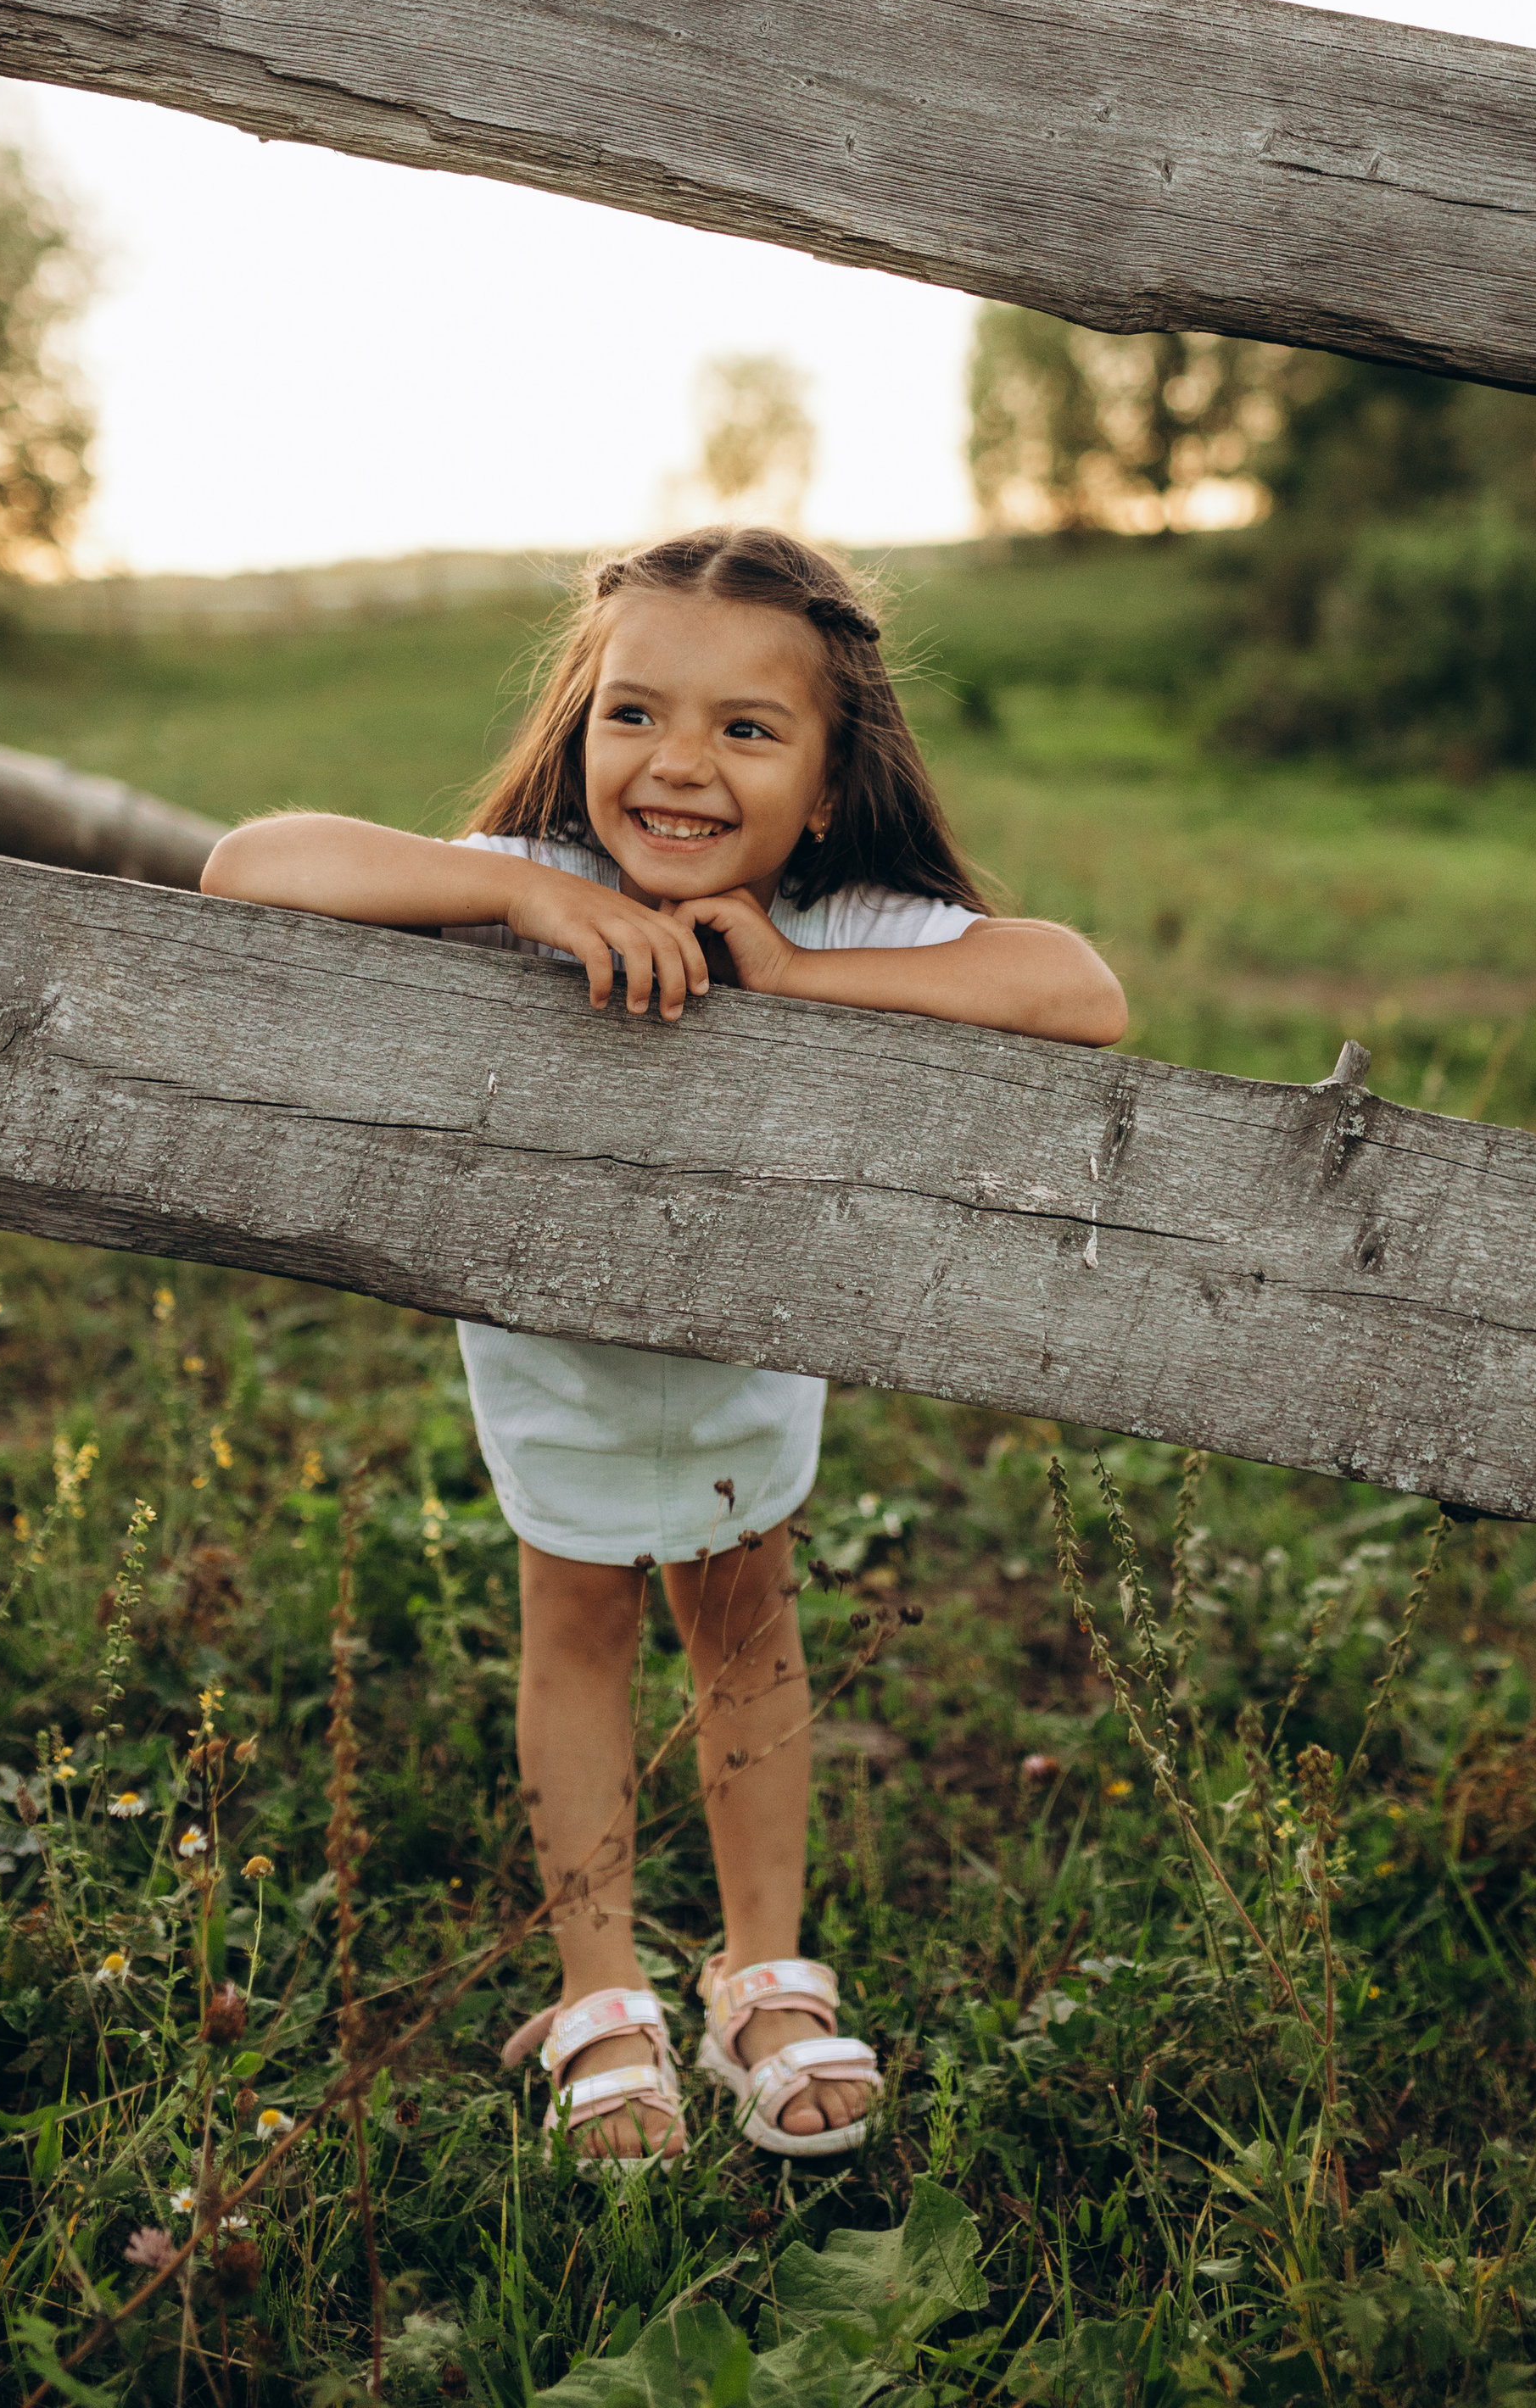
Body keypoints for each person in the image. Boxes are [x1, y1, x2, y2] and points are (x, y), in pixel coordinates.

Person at [202, 526, 1126, 2164]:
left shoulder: (840, 918)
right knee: (574, 1638)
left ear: (832, 783)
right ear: (581, 730)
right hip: (553, 1370)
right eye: (635, 714)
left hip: (743, 1368)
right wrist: (515, 889)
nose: (678, 766)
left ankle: (763, 1971)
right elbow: (248, 865)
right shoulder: (527, 878)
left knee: (748, 1642)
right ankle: (601, 1987)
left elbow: (1080, 991)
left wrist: (801, 979)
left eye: (746, 731)